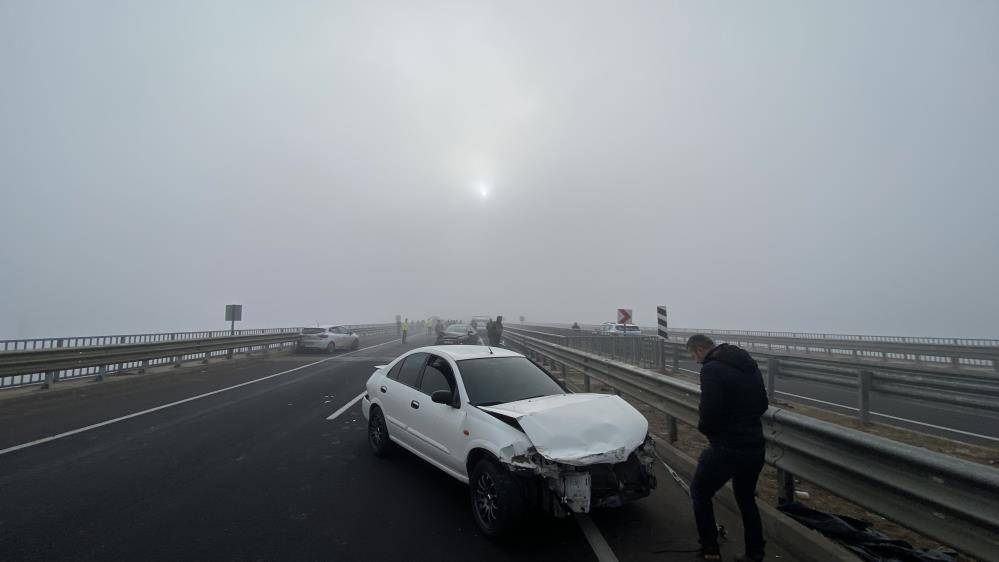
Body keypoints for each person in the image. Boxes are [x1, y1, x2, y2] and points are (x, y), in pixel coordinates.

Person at [686, 334, 769, 562]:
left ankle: (710, 549)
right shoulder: (748, 363)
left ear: (700, 349)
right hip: (754, 445)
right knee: (746, 498)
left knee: (701, 492)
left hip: (726, 447)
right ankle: (755, 554)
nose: (695, 361)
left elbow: (709, 411)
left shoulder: (711, 369)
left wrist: (707, 430)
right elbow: (763, 403)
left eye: (694, 355)